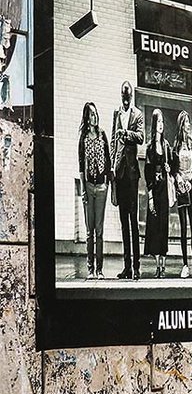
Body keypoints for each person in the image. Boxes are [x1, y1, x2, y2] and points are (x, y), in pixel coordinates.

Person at [111, 81, 144, 280]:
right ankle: (127, 267)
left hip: (132, 174)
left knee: (133, 221)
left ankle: (137, 267)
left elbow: (140, 137)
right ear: (120, 95)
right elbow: (113, 142)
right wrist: (112, 166)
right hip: (120, 173)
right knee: (123, 222)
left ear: (131, 96)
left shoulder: (137, 114)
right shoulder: (116, 113)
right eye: (123, 95)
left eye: (128, 96)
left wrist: (126, 133)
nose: (125, 99)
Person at [78, 102, 111, 280]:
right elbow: (81, 166)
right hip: (89, 186)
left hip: (101, 187)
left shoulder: (102, 134)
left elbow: (108, 159)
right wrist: (83, 189)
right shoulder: (83, 138)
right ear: (86, 117)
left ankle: (100, 270)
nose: (94, 117)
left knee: (99, 230)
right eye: (91, 114)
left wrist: (106, 183)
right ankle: (90, 269)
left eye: (95, 113)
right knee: (89, 231)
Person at [172, 110, 192, 278]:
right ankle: (185, 265)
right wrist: (178, 179)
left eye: (189, 122)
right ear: (181, 125)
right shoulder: (176, 144)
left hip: (190, 189)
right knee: (183, 227)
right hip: (180, 190)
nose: (189, 125)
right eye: (186, 122)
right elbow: (173, 169)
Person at [144, 109, 171, 278]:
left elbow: (173, 167)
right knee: (154, 228)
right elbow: (147, 173)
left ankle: (163, 266)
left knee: (163, 226)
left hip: (165, 191)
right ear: (154, 124)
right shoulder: (149, 147)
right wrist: (150, 197)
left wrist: (169, 168)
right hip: (154, 191)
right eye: (158, 121)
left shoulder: (167, 146)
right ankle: (157, 266)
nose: (161, 124)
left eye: (162, 122)